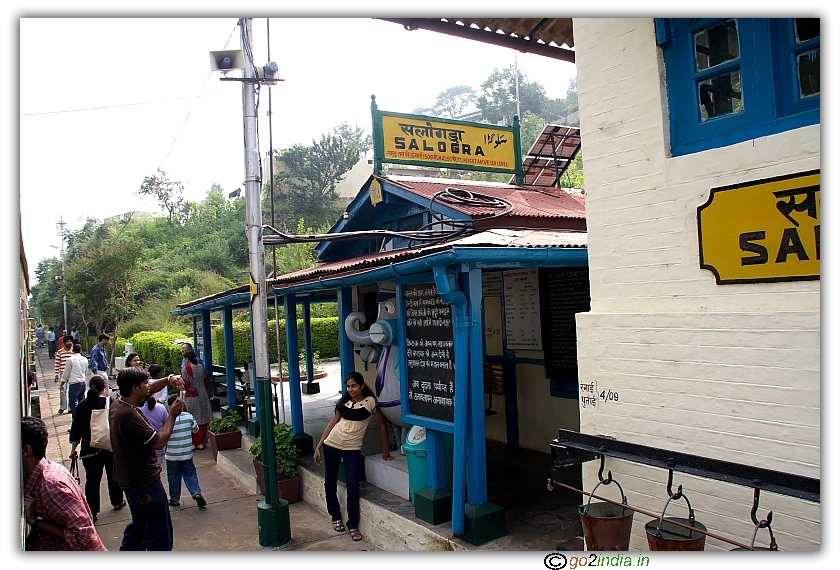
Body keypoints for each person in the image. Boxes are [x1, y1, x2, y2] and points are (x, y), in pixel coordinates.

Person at [110, 366, 184, 551]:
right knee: (160, 533)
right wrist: (172, 416)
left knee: (140, 525)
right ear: (135, 389)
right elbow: (158, 442)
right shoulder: (128, 414)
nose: (149, 386)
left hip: (130, 480)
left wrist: (168, 379)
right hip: (144, 482)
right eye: (145, 383)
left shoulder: (119, 404)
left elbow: (150, 389)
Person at [313, 372, 393, 542]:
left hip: (352, 448)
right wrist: (318, 447)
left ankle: (353, 524)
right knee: (330, 482)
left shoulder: (370, 402)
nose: (351, 389)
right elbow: (331, 425)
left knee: (352, 485)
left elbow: (383, 426)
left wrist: (386, 450)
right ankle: (335, 516)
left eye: (354, 386)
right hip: (332, 445)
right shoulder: (343, 402)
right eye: (348, 386)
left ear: (362, 386)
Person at [22, 417, 106, 551]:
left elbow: (84, 538)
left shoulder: (50, 486)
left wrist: (36, 520)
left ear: (26, 451)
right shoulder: (47, 471)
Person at [69, 375, 126, 523]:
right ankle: (117, 501)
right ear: (104, 387)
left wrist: (73, 448)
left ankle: (92, 511)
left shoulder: (82, 405)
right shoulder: (110, 402)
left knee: (92, 480)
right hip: (109, 446)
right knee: (113, 476)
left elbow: (76, 429)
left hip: (89, 448)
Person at [164, 394, 207, 508]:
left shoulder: (167, 420)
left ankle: (174, 499)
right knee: (190, 473)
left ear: (169, 407)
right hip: (186, 454)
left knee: (173, 476)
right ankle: (196, 493)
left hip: (171, 455)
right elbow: (196, 429)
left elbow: (162, 435)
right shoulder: (188, 417)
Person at [182, 350, 213, 449]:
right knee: (203, 419)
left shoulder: (185, 369)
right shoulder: (201, 367)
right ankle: (200, 442)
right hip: (203, 395)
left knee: (191, 419)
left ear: (187, 359)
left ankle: (192, 443)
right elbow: (206, 380)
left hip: (191, 397)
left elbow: (185, 384)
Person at [62, 343, 89, 418]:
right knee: (81, 403)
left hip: (74, 383)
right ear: (80, 350)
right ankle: (81, 420)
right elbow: (86, 370)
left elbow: (66, 374)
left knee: (73, 404)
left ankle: (76, 420)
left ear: (72, 350)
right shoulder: (85, 359)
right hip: (82, 382)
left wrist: (62, 383)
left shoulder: (70, 360)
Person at [139, 393, 169, 460]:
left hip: (142, 450)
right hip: (159, 449)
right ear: (153, 394)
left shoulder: (137, 410)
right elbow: (167, 425)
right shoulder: (161, 408)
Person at [54, 336, 74, 414]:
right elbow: (57, 364)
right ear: (64, 343)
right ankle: (62, 407)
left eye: (70, 341)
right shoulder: (60, 352)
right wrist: (56, 374)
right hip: (63, 374)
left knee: (71, 391)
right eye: (67, 341)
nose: (69, 343)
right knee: (62, 390)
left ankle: (70, 408)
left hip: (72, 374)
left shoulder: (74, 352)